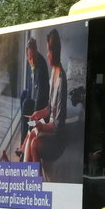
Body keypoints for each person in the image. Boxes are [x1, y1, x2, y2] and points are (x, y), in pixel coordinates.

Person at [22, 28, 67, 168]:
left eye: (48, 51)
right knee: (30, 135)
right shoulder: (53, 71)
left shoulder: (61, 79)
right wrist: (38, 114)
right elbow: (49, 107)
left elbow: (58, 126)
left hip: (57, 137)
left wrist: (42, 126)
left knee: (35, 143)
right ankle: (25, 173)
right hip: (49, 126)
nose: (47, 55)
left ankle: (36, 182)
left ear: (55, 52)